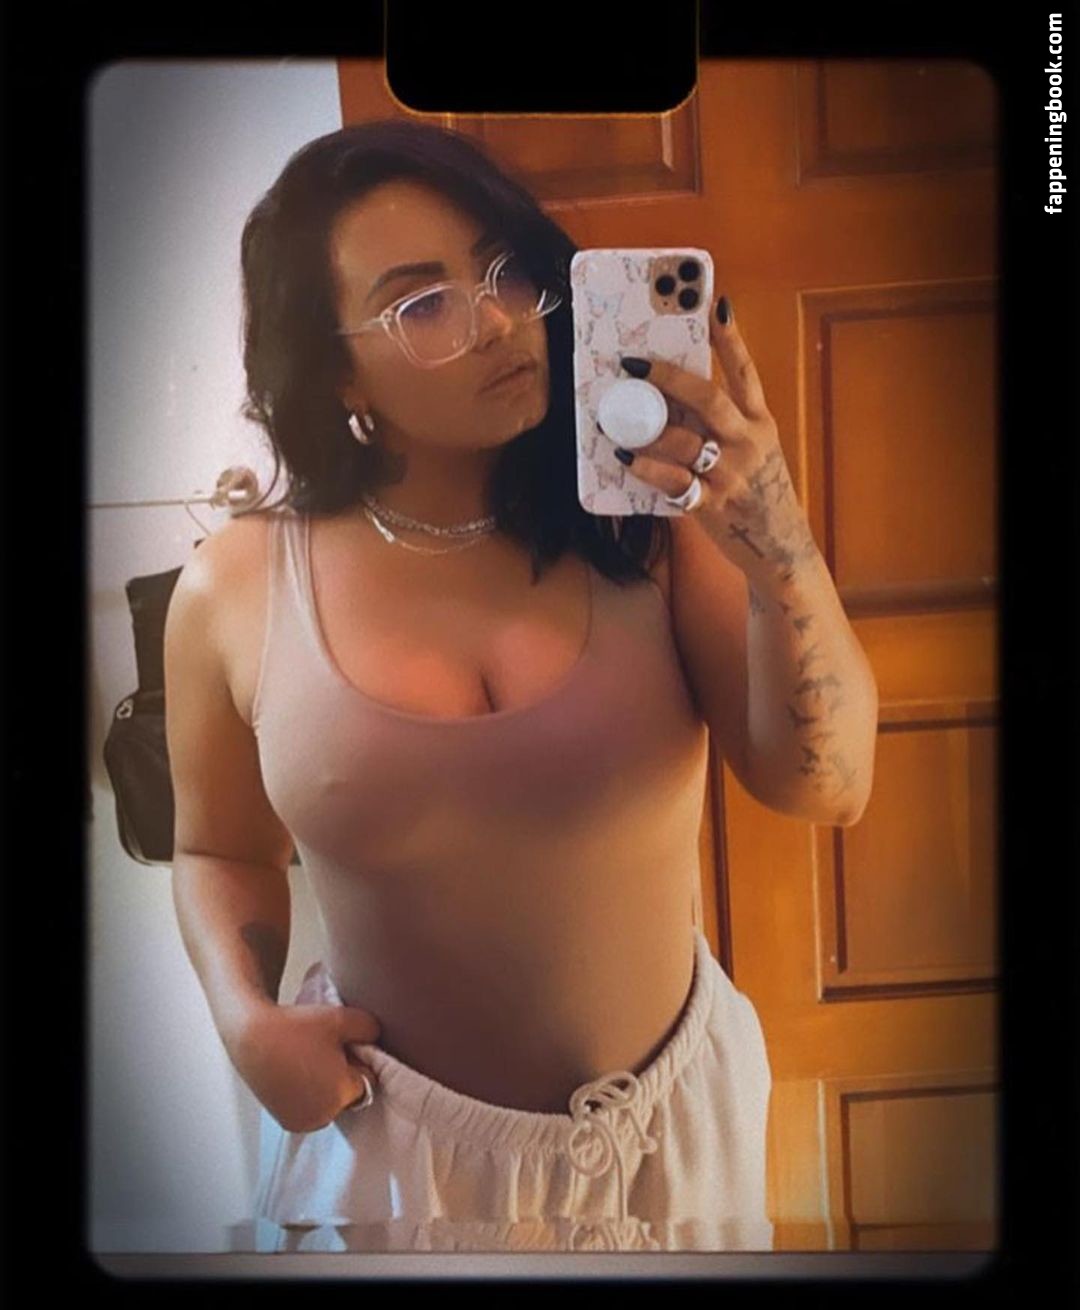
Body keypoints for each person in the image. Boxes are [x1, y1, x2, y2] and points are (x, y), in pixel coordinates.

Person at [164, 119, 789, 1255]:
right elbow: (217, 847)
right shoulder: (237, 586)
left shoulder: (640, 526)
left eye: (503, 269)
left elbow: (822, 781)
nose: (498, 319)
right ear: (334, 366)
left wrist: (773, 526)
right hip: (395, 1162)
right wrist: (245, 1021)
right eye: (423, 303)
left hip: (671, 1137)